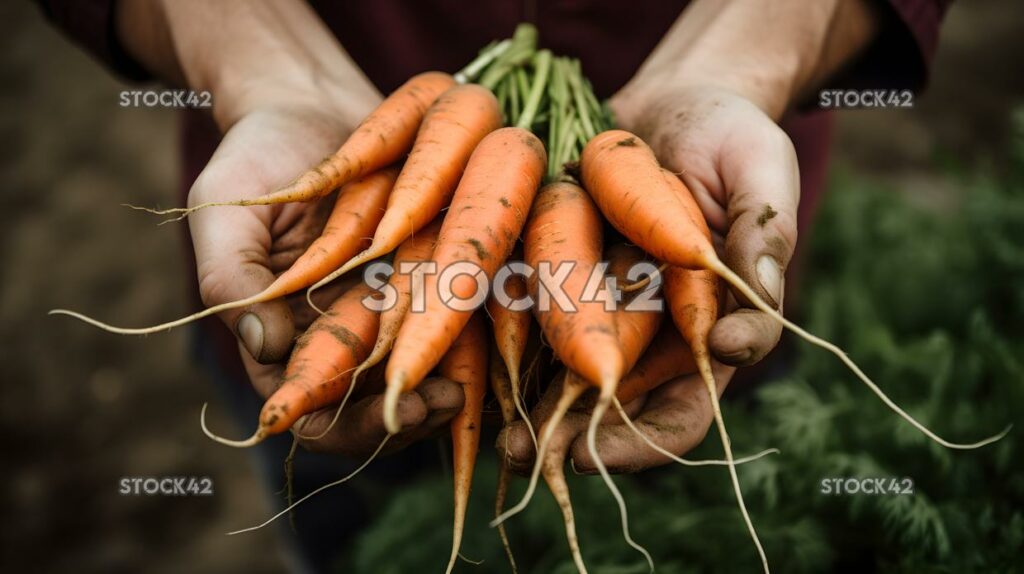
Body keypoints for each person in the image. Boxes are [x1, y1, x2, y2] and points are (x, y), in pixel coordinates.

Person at [40, 0, 947, 570]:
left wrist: (743, 63)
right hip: (302, 266)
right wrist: (256, 67)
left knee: (690, 395)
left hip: (692, 243)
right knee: (341, 491)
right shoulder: (428, 173)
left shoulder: (590, 177)